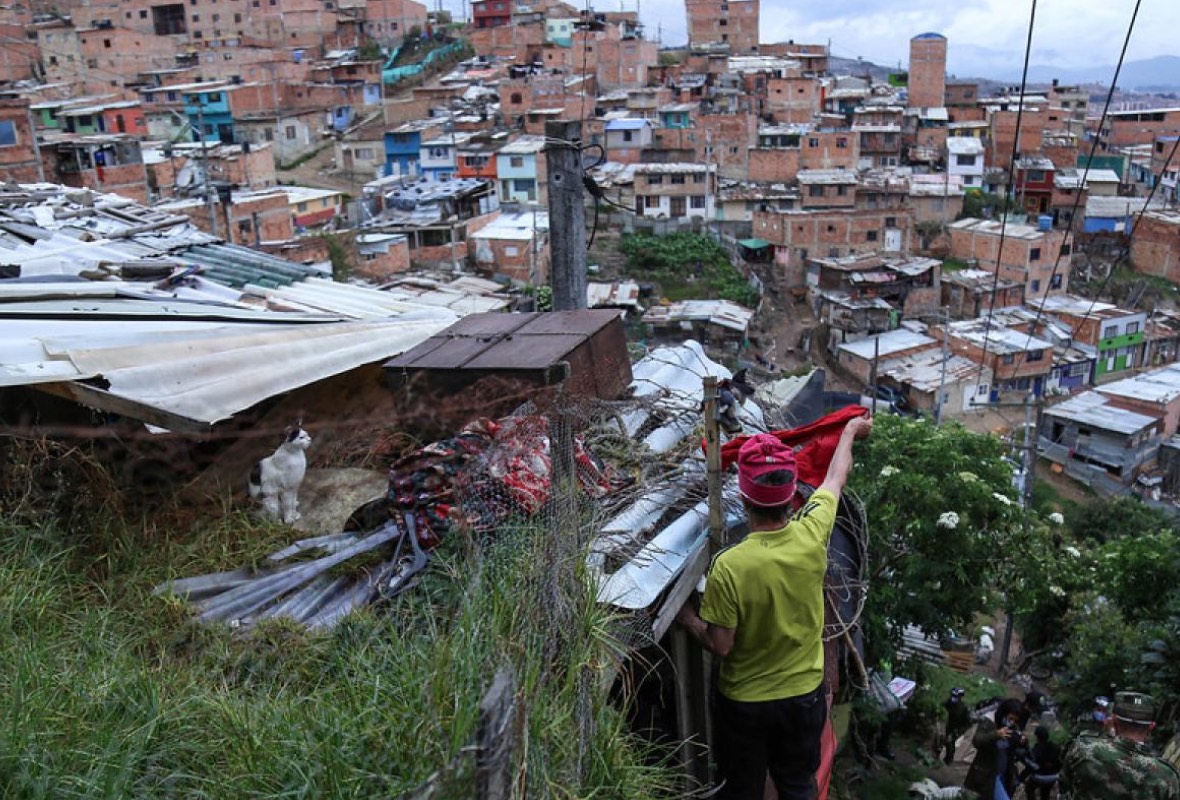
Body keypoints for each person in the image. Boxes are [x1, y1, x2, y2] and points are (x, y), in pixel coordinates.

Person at [676, 415, 873, 800]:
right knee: (799, 785)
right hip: (803, 698)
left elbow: (721, 645)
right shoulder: (813, 534)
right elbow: (836, 477)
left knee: (742, 790)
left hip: (745, 706)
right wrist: (848, 432)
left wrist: (686, 619)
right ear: (789, 495)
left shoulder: (729, 567)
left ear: (745, 497)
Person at [1059, 692, 1180, 800]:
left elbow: (1064, 788)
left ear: (1114, 722)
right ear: (1151, 727)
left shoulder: (1082, 749)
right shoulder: (1167, 776)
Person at [964, 698, 1025, 800]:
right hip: (988, 772)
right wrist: (996, 734)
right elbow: (977, 741)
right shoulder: (988, 721)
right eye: (1010, 718)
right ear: (1004, 713)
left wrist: (1020, 740)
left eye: (1014, 720)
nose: (1012, 722)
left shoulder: (1010, 726)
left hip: (1003, 772)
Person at [1018, 725, 1062, 800]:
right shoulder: (1056, 747)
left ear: (1037, 737)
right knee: (1045, 791)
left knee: (1029, 787)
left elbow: (1031, 766)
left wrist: (1021, 778)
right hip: (1053, 777)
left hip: (1040, 777)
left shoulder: (1037, 749)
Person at [943, 687, 972, 765]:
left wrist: (960, 731)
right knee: (947, 740)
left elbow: (967, 722)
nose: (953, 698)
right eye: (952, 696)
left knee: (950, 742)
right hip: (950, 724)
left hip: (958, 727)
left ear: (960, 698)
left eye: (955, 697)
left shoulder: (964, 709)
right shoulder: (949, 702)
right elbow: (943, 706)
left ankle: (948, 760)